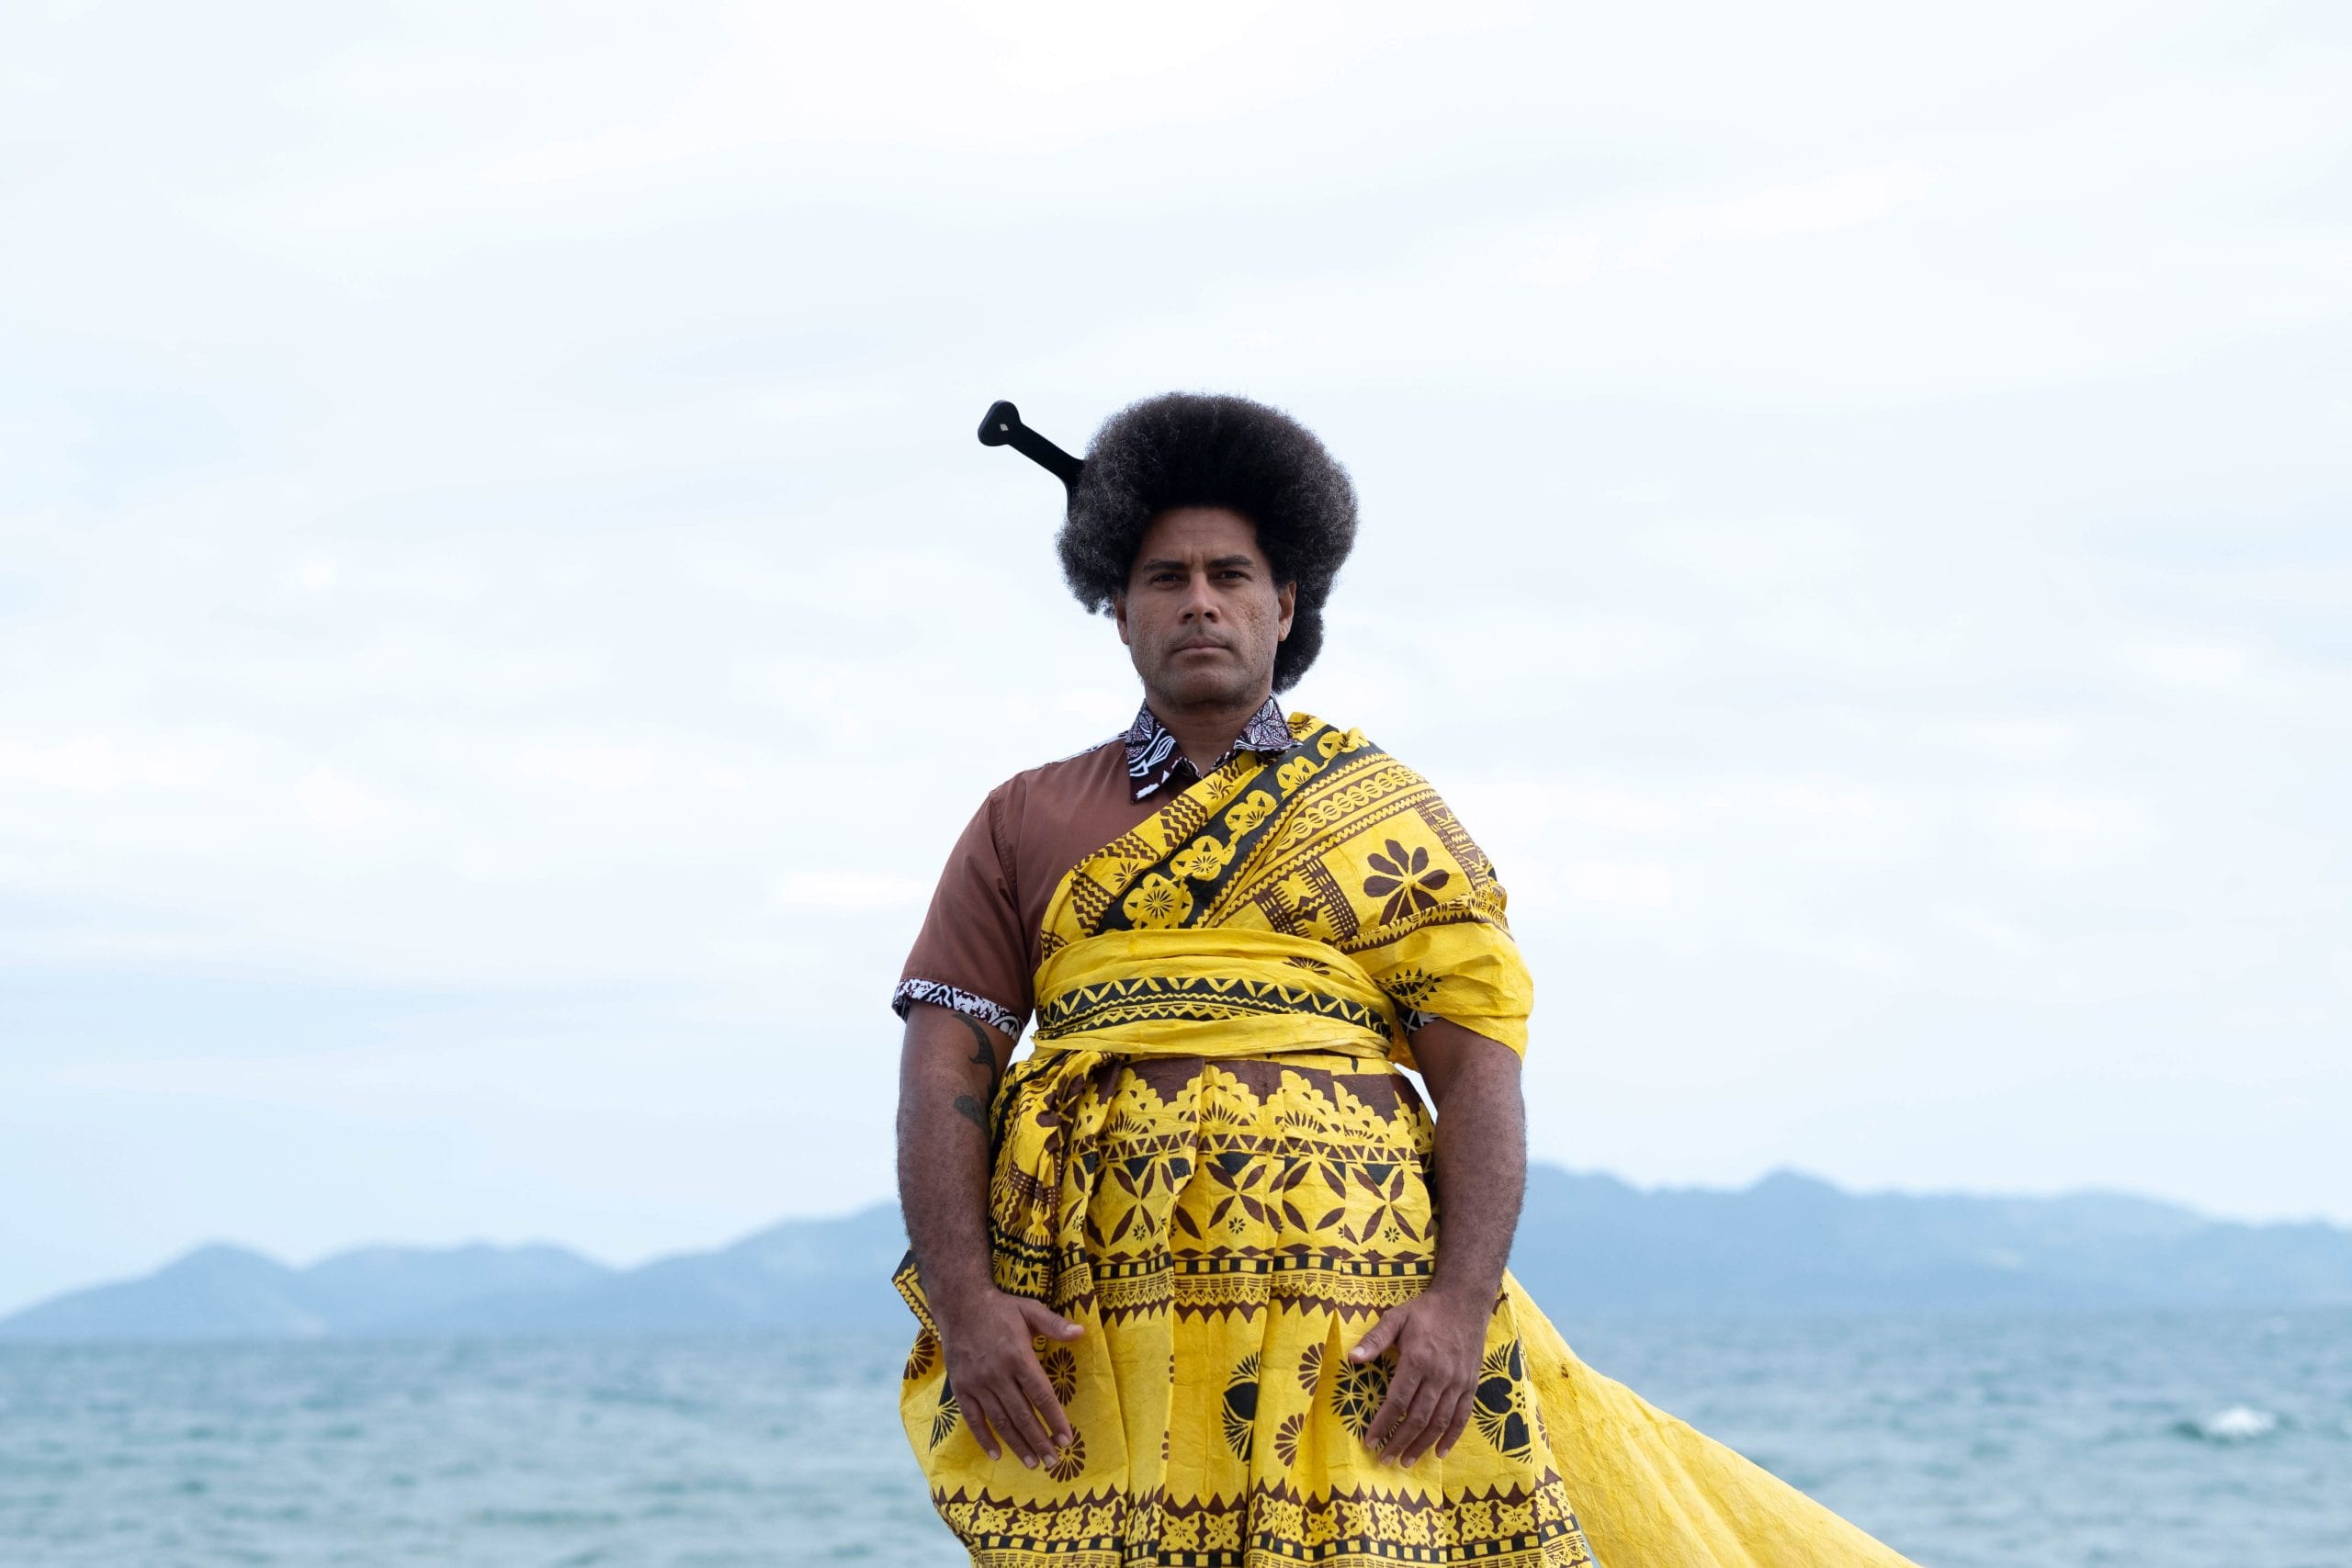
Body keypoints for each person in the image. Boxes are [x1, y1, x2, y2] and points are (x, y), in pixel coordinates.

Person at [890, 392, 1917, 1566]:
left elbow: (1479, 1074)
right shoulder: (1022, 818)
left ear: (1286, 606)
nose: (1200, 602)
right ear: (1116, 612)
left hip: (1359, 1322)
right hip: (1102, 1319)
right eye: (1164, 579)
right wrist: (965, 1306)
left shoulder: (1387, 817)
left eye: (1231, 575)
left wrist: (1459, 1307)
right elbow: (944, 1064)